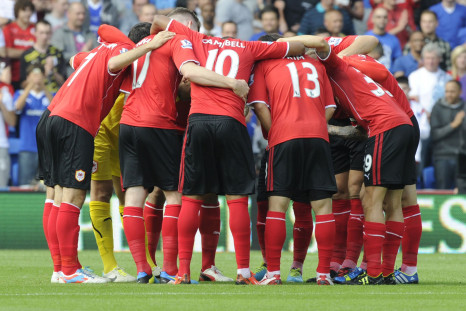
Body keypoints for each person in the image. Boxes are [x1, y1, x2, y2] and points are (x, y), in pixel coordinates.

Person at [150, 7, 304, 285]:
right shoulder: (249, 45)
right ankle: (243, 271)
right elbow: (294, 45)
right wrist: (320, 44)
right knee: (236, 199)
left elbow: (158, 20)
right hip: (231, 122)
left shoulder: (197, 39)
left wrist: (157, 40)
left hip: (198, 121)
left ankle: (183, 272)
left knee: (192, 198)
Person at [108, 12, 251, 283]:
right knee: (178, 196)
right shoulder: (179, 43)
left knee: (138, 198)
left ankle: (144, 268)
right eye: (193, 30)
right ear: (184, 28)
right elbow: (189, 73)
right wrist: (231, 83)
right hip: (165, 124)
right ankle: (173, 270)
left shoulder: (139, 46)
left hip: (131, 123)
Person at [42, 24, 174, 284]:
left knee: (125, 194)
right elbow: (87, 56)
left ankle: (140, 265)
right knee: (85, 193)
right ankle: (101, 267)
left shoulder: (125, 58)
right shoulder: (126, 57)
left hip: (106, 130)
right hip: (95, 130)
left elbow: (76, 58)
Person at [282, 34, 415, 285]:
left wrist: (284, 40)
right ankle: (385, 271)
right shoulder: (348, 81)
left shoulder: (333, 64)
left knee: (371, 201)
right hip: (402, 125)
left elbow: (323, 45)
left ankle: (373, 272)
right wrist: (329, 129)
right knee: (393, 201)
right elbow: (358, 131)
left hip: (385, 128)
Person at [248, 33, 337, 285]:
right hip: (318, 137)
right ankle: (322, 274)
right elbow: (330, 107)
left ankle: (274, 273)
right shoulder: (316, 65)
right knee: (322, 208)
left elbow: (259, 105)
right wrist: (316, 124)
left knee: (277, 206)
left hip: (284, 137)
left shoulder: (266, 65)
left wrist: (274, 132)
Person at [13, 64, 52, 187]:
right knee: (25, 187)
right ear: (28, 77)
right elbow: (18, 107)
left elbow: (56, 110)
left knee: (47, 187)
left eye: (39, 75)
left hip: (47, 149)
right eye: (34, 75)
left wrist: (44, 87)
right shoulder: (20, 93)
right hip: (27, 148)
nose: (37, 78)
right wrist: (29, 86)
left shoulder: (51, 95)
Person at [430, 80, 465, 189]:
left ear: (460, 92)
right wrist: (454, 125)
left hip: (462, 156)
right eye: (447, 91)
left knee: (462, 192)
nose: (449, 94)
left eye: (452, 92)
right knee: (442, 191)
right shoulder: (437, 108)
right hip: (443, 156)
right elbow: (435, 135)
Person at [51, 2, 98, 77]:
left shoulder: (89, 34)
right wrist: (81, 54)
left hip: (89, 76)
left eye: (83, 13)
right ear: (68, 14)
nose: (81, 17)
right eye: (78, 14)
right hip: (68, 78)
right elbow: (57, 57)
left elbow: (98, 54)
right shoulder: (59, 33)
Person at [20, 20, 66, 94]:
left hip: (56, 94)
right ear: (35, 33)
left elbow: (64, 83)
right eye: (41, 33)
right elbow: (23, 84)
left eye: (47, 33)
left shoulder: (58, 53)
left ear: (51, 33)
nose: (45, 36)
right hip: (36, 96)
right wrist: (43, 73)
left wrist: (52, 70)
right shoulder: (27, 55)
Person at [2, 0, 36, 90]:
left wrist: (19, 52)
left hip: (32, 75)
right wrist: (31, 52)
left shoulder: (35, 28)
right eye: (24, 10)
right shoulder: (8, 28)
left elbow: (40, 49)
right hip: (14, 75)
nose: (28, 13)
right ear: (17, 12)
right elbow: (8, 52)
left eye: (30, 10)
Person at [364, 7, 402, 71]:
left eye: (385, 17)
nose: (382, 19)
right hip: (370, 75)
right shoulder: (365, 38)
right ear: (372, 19)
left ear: (388, 20)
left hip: (388, 76)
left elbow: (397, 62)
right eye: (379, 17)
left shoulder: (394, 40)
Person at [0, 79, 16, 187]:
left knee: (1, 186)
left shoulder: (5, 91)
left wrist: (1, 103)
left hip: (1, 144)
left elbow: (12, 122)